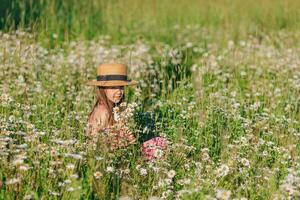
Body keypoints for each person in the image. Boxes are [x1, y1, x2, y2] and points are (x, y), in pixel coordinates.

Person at [85, 63, 137, 146]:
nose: (119, 92)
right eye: (113, 88)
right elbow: (94, 144)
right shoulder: (103, 112)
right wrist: (123, 142)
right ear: (102, 89)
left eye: (121, 87)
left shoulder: (115, 108)